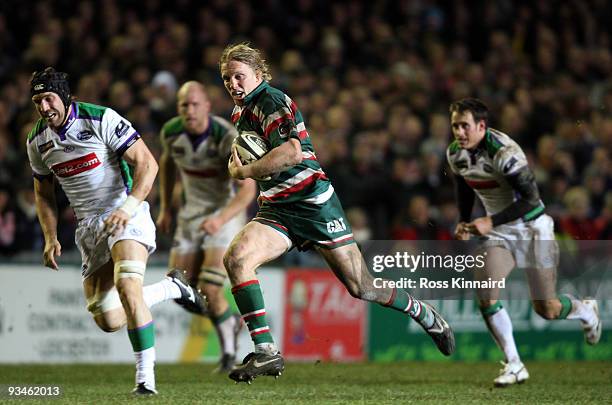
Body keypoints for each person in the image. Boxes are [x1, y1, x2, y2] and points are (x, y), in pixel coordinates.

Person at [219, 43, 455, 384]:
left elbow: (292, 152)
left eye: (239, 76)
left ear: (258, 74)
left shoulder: (271, 100)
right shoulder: (240, 113)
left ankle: (423, 312)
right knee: (237, 258)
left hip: (314, 203)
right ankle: (267, 351)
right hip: (277, 208)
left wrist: (245, 171)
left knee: (361, 287)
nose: (233, 84)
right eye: (227, 78)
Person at [26, 67, 206, 395]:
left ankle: (145, 378)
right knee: (107, 318)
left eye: (49, 98)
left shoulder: (101, 119)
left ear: (65, 97)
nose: (43, 106)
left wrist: (128, 207)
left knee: (127, 284)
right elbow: (43, 193)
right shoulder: (37, 140)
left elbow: (147, 164)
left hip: (125, 211)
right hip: (89, 227)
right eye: (37, 100)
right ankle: (171, 288)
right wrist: (50, 236)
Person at [446, 98, 602, 387]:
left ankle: (585, 310)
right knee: (485, 289)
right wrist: (465, 219)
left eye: (465, 126)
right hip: (500, 233)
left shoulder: (506, 153)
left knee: (547, 308)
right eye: (455, 125)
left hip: (532, 228)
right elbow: (463, 185)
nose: (459, 132)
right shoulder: (456, 154)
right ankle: (514, 364)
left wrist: (489, 221)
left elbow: (532, 203)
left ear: (482, 126)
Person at [156, 81, 256, 372]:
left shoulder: (225, 137)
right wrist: (165, 208)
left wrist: (220, 219)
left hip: (224, 213)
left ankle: (227, 353)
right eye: (184, 105)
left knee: (210, 288)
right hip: (190, 215)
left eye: (195, 104)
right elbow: (168, 164)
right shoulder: (171, 132)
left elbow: (248, 190)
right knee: (178, 288)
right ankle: (228, 321)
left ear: (208, 107)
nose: (190, 110)